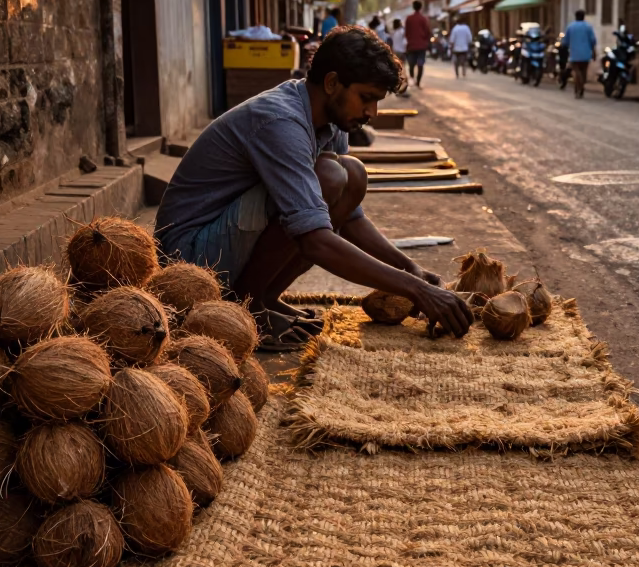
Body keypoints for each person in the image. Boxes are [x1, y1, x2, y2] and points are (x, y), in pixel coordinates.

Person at [154, 27, 473, 351]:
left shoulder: (331, 119)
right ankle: (245, 308)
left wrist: (412, 270)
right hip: (188, 260)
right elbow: (315, 240)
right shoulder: (282, 121)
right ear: (332, 83)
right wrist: (417, 292)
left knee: (352, 174)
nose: (371, 113)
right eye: (366, 98)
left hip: (222, 241)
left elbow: (347, 219)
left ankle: (262, 297)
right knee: (330, 178)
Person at [563, 9, 597, 98]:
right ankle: (580, 86)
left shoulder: (571, 27)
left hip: (574, 53)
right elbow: (593, 40)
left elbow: (565, 41)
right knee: (583, 71)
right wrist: (594, 51)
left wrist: (566, 47)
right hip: (586, 53)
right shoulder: (588, 26)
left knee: (577, 71)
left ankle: (579, 86)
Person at [404, 0, 432, 88]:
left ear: (413, 7)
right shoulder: (424, 19)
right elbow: (428, 32)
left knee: (411, 64)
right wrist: (426, 42)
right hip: (421, 47)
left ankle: (412, 78)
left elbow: (406, 32)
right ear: (421, 7)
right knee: (420, 64)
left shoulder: (409, 18)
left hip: (411, 46)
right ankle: (418, 82)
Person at [390, 18, 408, 95]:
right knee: (402, 70)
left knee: (397, 70)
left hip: (395, 52)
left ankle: (397, 88)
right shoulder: (402, 31)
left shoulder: (393, 32)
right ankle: (402, 89)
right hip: (402, 52)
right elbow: (405, 42)